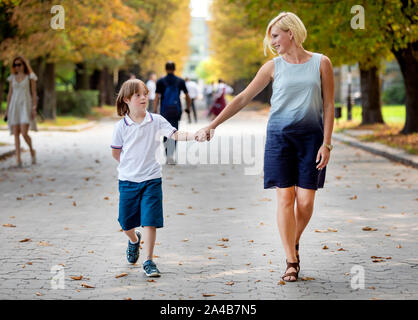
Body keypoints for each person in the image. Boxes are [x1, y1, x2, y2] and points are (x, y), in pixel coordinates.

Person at [195, 12, 335, 282]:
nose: (272, 42)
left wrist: (327, 143)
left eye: (275, 35)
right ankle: (291, 260)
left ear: (290, 33)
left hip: (311, 139)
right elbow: (244, 97)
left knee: (305, 203)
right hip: (279, 139)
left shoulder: (321, 63)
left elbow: (329, 105)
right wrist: (213, 125)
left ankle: (291, 240)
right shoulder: (273, 67)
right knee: (285, 198)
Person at [111, 79, 194, 277]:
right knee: (126, 223)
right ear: (127, 100)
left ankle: (148, 261)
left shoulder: (156, 120)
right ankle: (133, 240)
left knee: (150, 220)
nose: (143, 98)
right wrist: (129, 165)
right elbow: (116, 153)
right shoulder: (121, 126)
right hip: (128, 180)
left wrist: (195, 135)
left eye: (145, 94)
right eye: (138, 95)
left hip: (152, 179)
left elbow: (175, 135)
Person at [153, 61, 191, 164]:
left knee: (165, 132)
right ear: (174, 69)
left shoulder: (160, 81)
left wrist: (155, 111)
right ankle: (170, 155)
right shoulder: (180, 81)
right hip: (176, 111)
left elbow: (156, 97)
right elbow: (188, 96)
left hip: (164, 111)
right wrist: (188, 108)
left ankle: (167, 155)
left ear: (165, 69)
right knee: (174, 132)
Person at [4, 56, 38, 168]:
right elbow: (9, 94)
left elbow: (33, 93)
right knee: (16, 134)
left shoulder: (30, 77)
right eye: (15, 65)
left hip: (25, 106)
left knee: (24, 132)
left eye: (19, 64)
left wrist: (34, 107)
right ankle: (18, 160)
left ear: (24, 65)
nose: (17, 67)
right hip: (14, 106)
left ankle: (32, 151)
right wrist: (7, 110)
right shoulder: (12, 78)